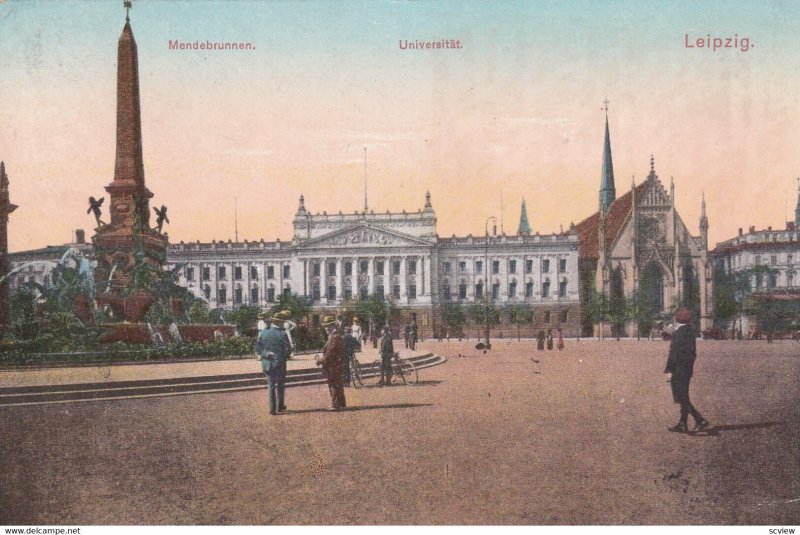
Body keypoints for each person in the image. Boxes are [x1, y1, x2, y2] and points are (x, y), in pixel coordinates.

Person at [664, 307, 710, 433]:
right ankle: (683, 423)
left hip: (679, 369)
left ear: (677, 318)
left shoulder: (680, 332)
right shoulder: (689, 330)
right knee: (683, 395)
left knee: (682, 397)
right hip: (686, 369)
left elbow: (674, 353)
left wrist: (669, 370)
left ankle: (699, 419)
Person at [255, 311, 292, 415]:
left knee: (271, 386)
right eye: (283, 322)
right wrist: (283, 356)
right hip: (280, 363)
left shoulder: (264, 332)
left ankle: (272, 409)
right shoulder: (282, 333)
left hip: (267, 363)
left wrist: (266, 354)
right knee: (280, 385)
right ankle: (280, 406)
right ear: (279, 322)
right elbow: (288, 349)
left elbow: (257, 348)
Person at [321, 316, 347, 410]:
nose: (327, 328)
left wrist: (321, 360)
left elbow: (330, 352)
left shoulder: (334, 337)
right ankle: (341, 404)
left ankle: (335, 404)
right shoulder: (335, 335)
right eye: (325, 326)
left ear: (334, 326)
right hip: (336, 364)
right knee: (338, 384)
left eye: (329, 326)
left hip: (333, 365)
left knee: (333, 384)